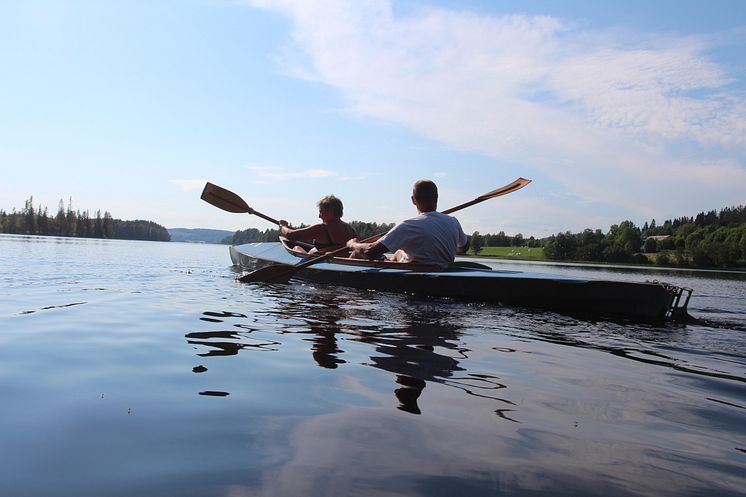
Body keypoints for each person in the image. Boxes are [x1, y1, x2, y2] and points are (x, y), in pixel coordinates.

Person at [346, 179, 468, 268]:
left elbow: (370, 252)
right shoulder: (453, 221)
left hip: (418, 271)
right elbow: (464, 247)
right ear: (436, 197)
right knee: (399, 252)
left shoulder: (408, 225)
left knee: (358, 252)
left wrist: (353, 244)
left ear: (413, 200)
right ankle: (392, 260)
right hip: (443, 269)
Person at [279, 195, 357, 254]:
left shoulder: (321, 229)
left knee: (296, 247)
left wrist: (283, 226)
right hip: (338, 262)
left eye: (321, 212)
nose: (319, 216)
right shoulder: (350, 230)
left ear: (330, 211)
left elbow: (290, 235)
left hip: (322, 264)